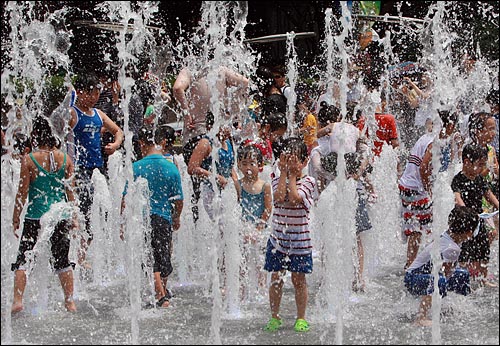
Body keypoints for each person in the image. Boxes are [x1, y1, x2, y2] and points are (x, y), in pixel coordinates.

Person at [11, 116, 77, 313]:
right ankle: (69, 301)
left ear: (35, 135)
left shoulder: (29, 160)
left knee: (24, 257)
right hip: (60, 215)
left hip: (35, 216)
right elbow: (70, 191)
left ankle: (17, 301)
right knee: (62, 259)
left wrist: (15, 217)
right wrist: (74, 218)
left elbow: (22, 192)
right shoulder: (66, 159)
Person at [173, 65, 248, 223]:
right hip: (214, 135)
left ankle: (198, 228)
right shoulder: (222, 70)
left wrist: (187, 114)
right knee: (216, 180)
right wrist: (235, 114)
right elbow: (244, 82)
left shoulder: (190, 70)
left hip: (195, 134)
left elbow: (178, 88)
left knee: (198, 192)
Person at [121, 125, 184, 308]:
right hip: (163, 218)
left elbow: (125, 198)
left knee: (150, 259)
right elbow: (179, 199)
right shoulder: (171, 168)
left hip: (142, 219)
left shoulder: (136, 167)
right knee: (162, 257)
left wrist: (123, 223)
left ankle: (161, 297)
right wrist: (177, 217)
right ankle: (162, 295)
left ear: (141, 143)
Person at [68, 73, 124, 268]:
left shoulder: (99, 114)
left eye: (97, 94)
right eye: (91, 93)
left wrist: (115, 145)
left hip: (97, 169)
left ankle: (81, 255)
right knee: (80, 211)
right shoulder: (73, 113)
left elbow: (118, 131)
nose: (94, 98)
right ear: (81, 92)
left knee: (99, 210)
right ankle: (74, 256)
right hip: (78, 169)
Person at [263, 137, 318, 333]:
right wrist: (285, 173)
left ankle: (301, 317)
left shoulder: (309, 181)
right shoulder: (276, 179)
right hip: (278, 241)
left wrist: (292, 176)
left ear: (304, 162)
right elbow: (278, 199)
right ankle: (274, 316)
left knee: (299, 280)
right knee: (276, 278)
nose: (290, 163)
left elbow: (294, 198)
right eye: (286, 159)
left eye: (294, 160)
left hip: (300, 242)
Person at [398, 110, 459, 269]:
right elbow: (424, 167)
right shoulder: (434, 142)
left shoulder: (430, 137)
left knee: (417, 227)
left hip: (409, 186)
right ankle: (416, 265)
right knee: (423, 227)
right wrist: (428, 190)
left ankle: (412, 263)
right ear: (450, 125)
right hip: (416, 189)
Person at [404, 205, 478, 327]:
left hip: (421, 275)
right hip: (413, 278)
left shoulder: (448, 235)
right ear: (469, 233)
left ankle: (455, 305)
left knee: (462, 274)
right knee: (440, 281)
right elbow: (446, 273)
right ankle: (421, 317)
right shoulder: (452, 248)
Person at [453, 144, 499, 287]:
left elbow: (488, 193)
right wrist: (465, 210)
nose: (482, 169)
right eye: (479, 165)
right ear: (467, 162)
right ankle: (462, 278)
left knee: (483, 249)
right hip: (465, 222)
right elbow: (457, 198)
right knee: (464, 251)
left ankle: (483, 278)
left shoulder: (479, 178)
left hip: (478, 220)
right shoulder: (458, 179)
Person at [234, 145, 272, 297]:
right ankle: (242, 289)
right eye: (244, 163)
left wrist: (258, 228)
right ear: (239, 165)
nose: (248, 167)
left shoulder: (264, 186)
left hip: (259, 230)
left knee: (260, 262)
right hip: (243, 229)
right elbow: (235, 208)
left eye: (252, 163)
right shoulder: (239, 185)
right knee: (242, 261)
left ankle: (261, 289)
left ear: (260, 165)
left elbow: (268, 209)